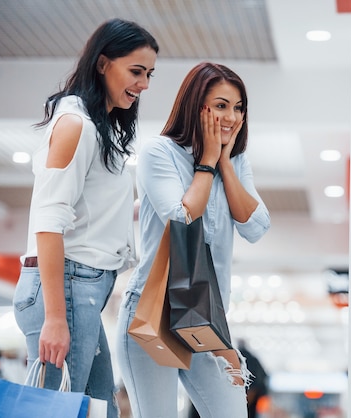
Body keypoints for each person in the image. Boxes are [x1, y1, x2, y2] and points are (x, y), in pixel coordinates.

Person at [12, 18, 158, 418]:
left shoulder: (97, 127)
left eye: (149, 74)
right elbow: (48, 222)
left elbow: (90, 212)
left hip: (82, 292)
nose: (144, 84)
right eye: (136, 71)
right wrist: (57, 318)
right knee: (55, 412)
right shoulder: (76, 124)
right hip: (67, 290)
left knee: (98, 411)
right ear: (102, 64)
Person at [116, 61, 271, 418]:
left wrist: (225, 164)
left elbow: (256, 227)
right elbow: (181, 217)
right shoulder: (160, 153)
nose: (231, 117)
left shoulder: (236, 161)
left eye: (238, 107)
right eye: (220, 105)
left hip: (206, 316)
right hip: (154, 310)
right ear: (196, 106)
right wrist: (206, 163)